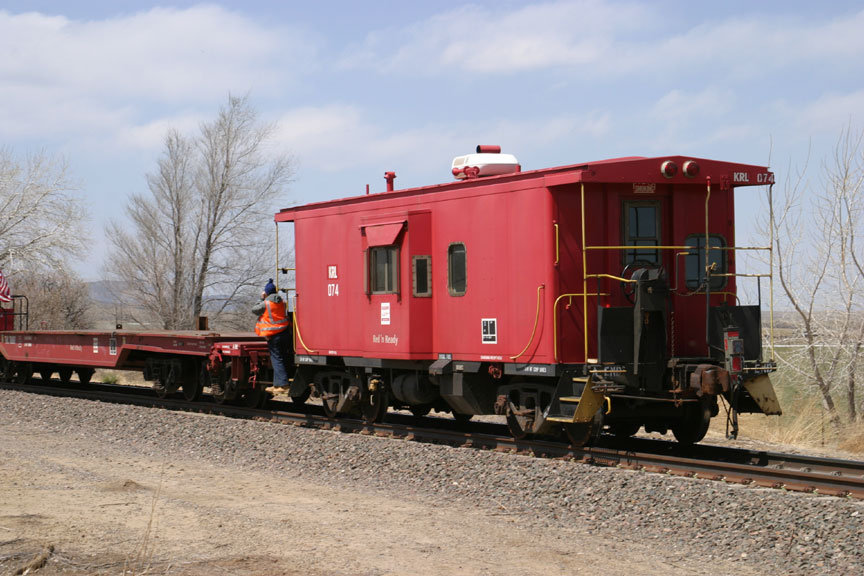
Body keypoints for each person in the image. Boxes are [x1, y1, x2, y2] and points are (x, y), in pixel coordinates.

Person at [252, 278, 292, 388]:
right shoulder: (282, 302)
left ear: (266, 293)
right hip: (285, 333)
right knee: (283, 358)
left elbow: (254, 310)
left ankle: (283, 384)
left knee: (276, 360)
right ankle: (277, 385)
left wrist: (261, 298)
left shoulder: (266, 303)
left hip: (273, 336)